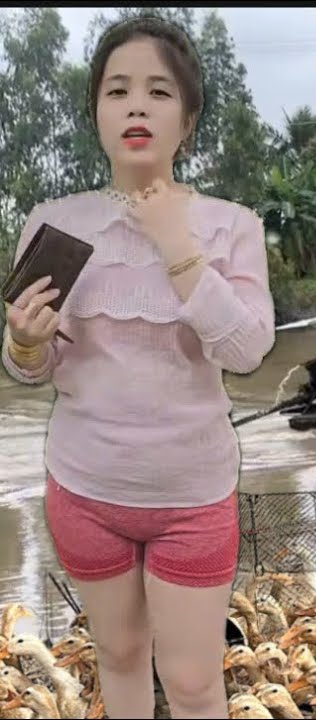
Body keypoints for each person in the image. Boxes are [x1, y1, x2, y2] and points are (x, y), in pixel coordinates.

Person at [1, 16, 274, 719]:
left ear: (188, 118)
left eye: (158, 91)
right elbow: (33, 370)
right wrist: (26, 343)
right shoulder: (54, 223)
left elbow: (245, 352)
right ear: (96, 112)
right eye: (117, 91)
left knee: (191, 685)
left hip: (193, 494)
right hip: (86, 488)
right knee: (118, 663)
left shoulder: (229, 225)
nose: (136, 106)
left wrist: (177, 247)